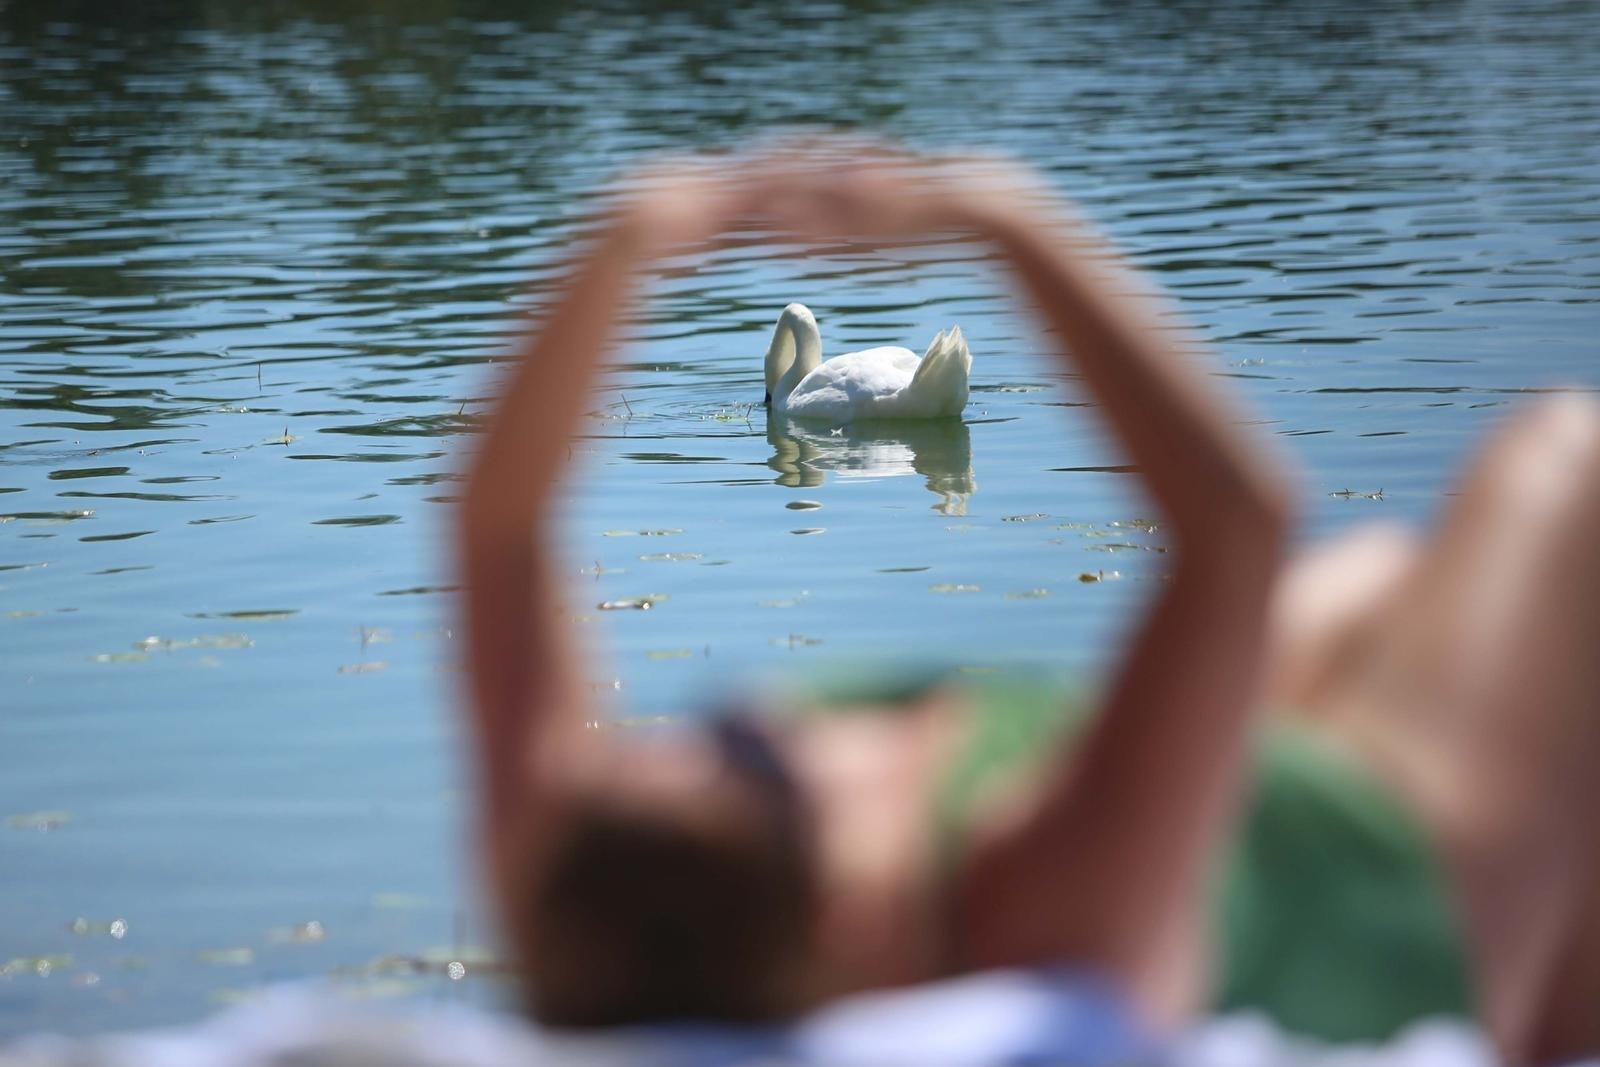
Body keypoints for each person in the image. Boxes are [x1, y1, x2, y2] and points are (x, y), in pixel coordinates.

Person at [455, 143, 1600, 1066]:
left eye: (701, 721)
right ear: (849, 919)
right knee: (1559, 459)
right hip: (1392, 891)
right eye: (752, 757)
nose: (742, 724)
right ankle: (1545, 1001)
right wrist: (993, 214)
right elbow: (1234, 526)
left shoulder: (591, 874)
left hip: (1239, 803)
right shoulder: (1034, 908)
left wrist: (622, 244)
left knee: (1378, 579)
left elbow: (496, 526)